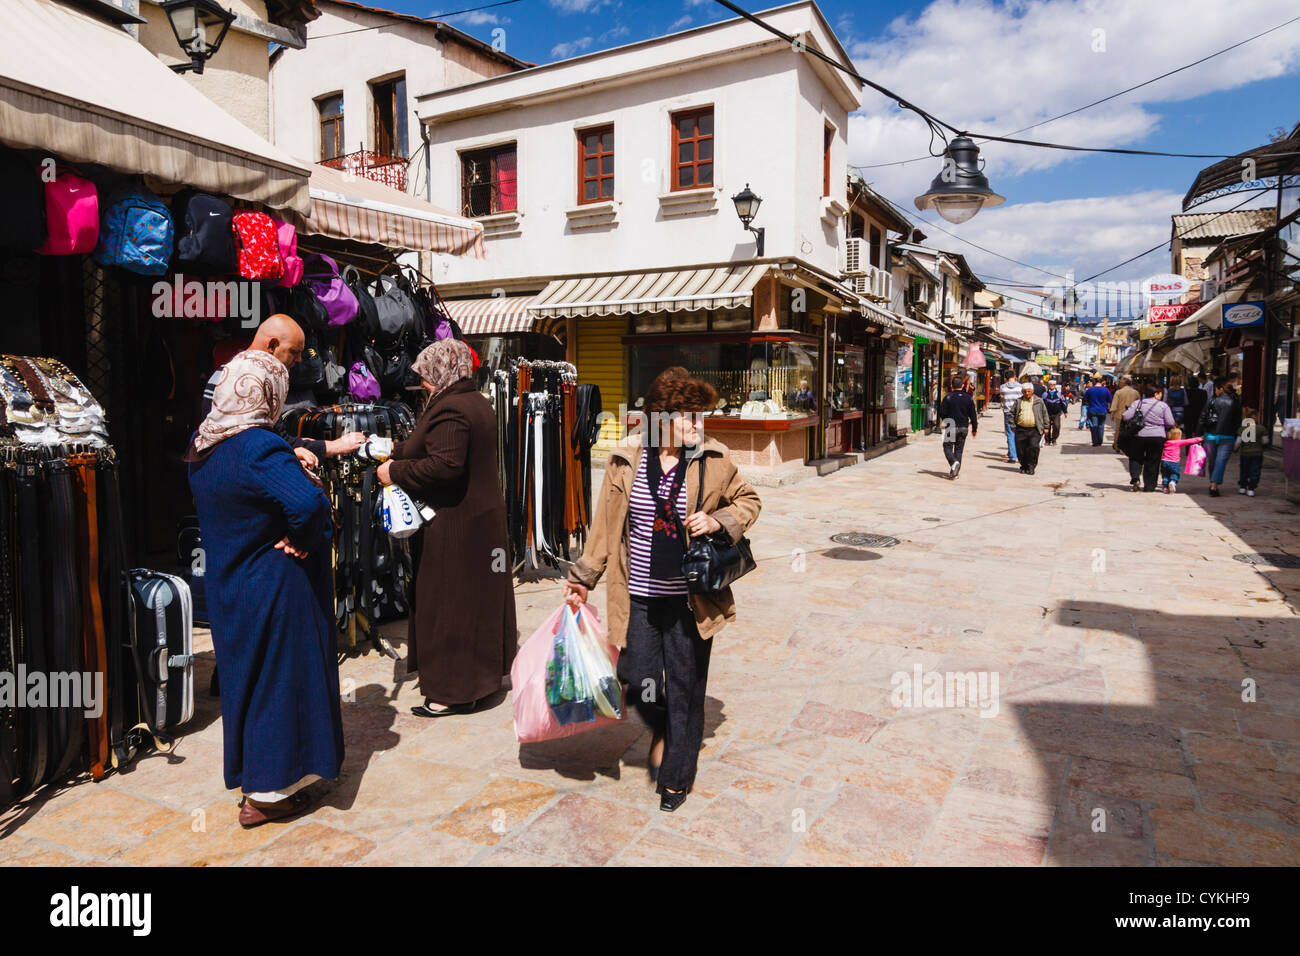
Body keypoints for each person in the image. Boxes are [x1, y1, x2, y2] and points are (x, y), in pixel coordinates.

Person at [564, 367, 760, 812]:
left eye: (701, 417)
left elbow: (749, 500)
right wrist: (582, 579)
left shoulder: (713, 459)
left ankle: (675, 776)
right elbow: (604, 530)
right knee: (635, 679)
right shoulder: (625, 458)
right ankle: (669, 730)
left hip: (690, 601)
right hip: (638, 597)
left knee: (687, 688)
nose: (698, 426)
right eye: (690, 417)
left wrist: (717, 520)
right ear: (661, 417)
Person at [186, 350, 343, 829]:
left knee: (247, 682)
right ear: (266, 395)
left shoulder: (204, 445)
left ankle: (257, 778)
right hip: (273, 584)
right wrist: (301, 540)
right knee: (280, 682)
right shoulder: (258, 447)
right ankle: (268, 794)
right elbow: (307, 504)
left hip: (230, 583)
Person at [376, 340, 517, 717]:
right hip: (479, 522)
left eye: (425, 375)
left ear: (442, 372)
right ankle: (481, 682)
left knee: (451, 604)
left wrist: (394, 472)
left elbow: (444, 466)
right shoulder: (474, 400)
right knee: (477, 602)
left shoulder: (452, 407)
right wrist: (396, 448)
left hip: (458, 526)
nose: (422, 382)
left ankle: (452, 693)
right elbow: (432, 446)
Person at [200, 314, 366, 470]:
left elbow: (273, 439)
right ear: (272, 345)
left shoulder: (232, 370)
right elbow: (268, 443)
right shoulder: (253, 378)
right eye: (294, 351)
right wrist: (338, 446)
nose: (300, 359)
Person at [1120, 383, 1175, 492]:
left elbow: (1125, 416)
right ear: (1156, 394)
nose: (1161, 396)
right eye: (1160, 393)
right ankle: (1149, 486)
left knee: (1136, 458)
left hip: (1139, 435)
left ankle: (1135, 479)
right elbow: (1170, 422)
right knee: (1153, 461)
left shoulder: (1138, 403)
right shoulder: (1163, 406)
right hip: (1157, 437)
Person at [1200, 376, 1242, 497]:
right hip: (1227, 437)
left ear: (1220, 389)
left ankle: (1213, 483)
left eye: (1215, 389)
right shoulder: (1235, 402)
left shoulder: (1211, 400)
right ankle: (1214, 485)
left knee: (1212, 461)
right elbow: (1238, 422)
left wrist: (1198, 434)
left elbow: (1202, 418)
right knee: (1220, 462)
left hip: (1210, 436)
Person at [938, 374, 978, 478]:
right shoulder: (968, 398)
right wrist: (974, 428)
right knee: (959, 450)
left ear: (952, 386)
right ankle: (955, 473)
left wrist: (946, 420)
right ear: (963, 385)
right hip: (964, 427)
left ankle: (953, 463)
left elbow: (941, 412)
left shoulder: (948, 397)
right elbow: (973, 415)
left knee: (947, 447)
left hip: (951, 426)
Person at [1010, 382, 1048, 475]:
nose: (1027, 393)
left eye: (1029, 391)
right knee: (1021, 449)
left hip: (1034, 429)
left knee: (1033, 448)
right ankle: (1024, 466)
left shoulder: (1039, 401)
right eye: (1024, 391)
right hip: (1020, 429)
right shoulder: (1018, 401)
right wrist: (1012, 426)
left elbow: (1044, 414)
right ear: (1022, 392)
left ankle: (1031, 467)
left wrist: (1046, 427)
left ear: (1033, 391)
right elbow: (1011, 414)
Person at [1160, 426, 1201, 493]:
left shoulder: (1166, 442)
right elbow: (1189, 441)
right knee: (1175, 474)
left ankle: (1165, 488)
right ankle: (1173, 482)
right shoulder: (1178, 442)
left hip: (1164, 461)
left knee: (1165, 475)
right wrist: (1199, 439)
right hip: (1174, 462)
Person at [1236, 407, 1264, 496]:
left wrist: (1235, 449)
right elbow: (1265, 441)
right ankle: (1251, 488)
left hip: (1245, 453)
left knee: (1244, 470)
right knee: (1255, 470)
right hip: (1257, 453)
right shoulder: (1261, 428)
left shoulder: (1242, 429)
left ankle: (1242, 487)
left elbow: (1238, 441)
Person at [1109, 375, 1139, 452]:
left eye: (1120, 382)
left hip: (1120, 414)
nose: (1119, 384)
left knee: (1118, 430)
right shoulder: (1135, 392)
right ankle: (1128, 445)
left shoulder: (1118, 392)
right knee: (1130, 430)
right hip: (1132, 415)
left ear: (1124, 384)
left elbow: (1114, 404)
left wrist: (1112, 413)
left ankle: (1117, 446)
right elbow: (1139, 403)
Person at [999, 373, 1023, 463]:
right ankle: (1019, 454)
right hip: (1019, 412)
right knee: (1019, 432)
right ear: (1015, 377)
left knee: (1010, 433)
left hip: (1008, 412)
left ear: (1005, 378)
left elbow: (1002, 399)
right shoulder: (1020, 387)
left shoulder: (1002, 387)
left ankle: (1012, 456)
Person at [1083, 377, 1112, 446]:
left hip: (1092, 410)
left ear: (1094, 382)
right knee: (1101, 426)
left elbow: (1084, 399)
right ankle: (1100, 441)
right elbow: (1110, 400)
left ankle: (1095, 442)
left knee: (1094, 426)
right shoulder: (1106, 390)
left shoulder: (1090, 390)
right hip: (1103, 410)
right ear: (1102, 382)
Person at [1042, 379, 1065, 445]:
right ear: (1048, 385)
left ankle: (1054, 439)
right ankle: (1047, 440)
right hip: (1047, 413)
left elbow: (1062, 403)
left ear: (1055, 386)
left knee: (1057, 426)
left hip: (1056, 413)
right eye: (1051, 384)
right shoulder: (1045, 394)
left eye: (1053, 385)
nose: (1052, 386)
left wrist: (1065, 411)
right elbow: (1042, 403)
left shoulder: (1058, 394)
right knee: (1047, 426)